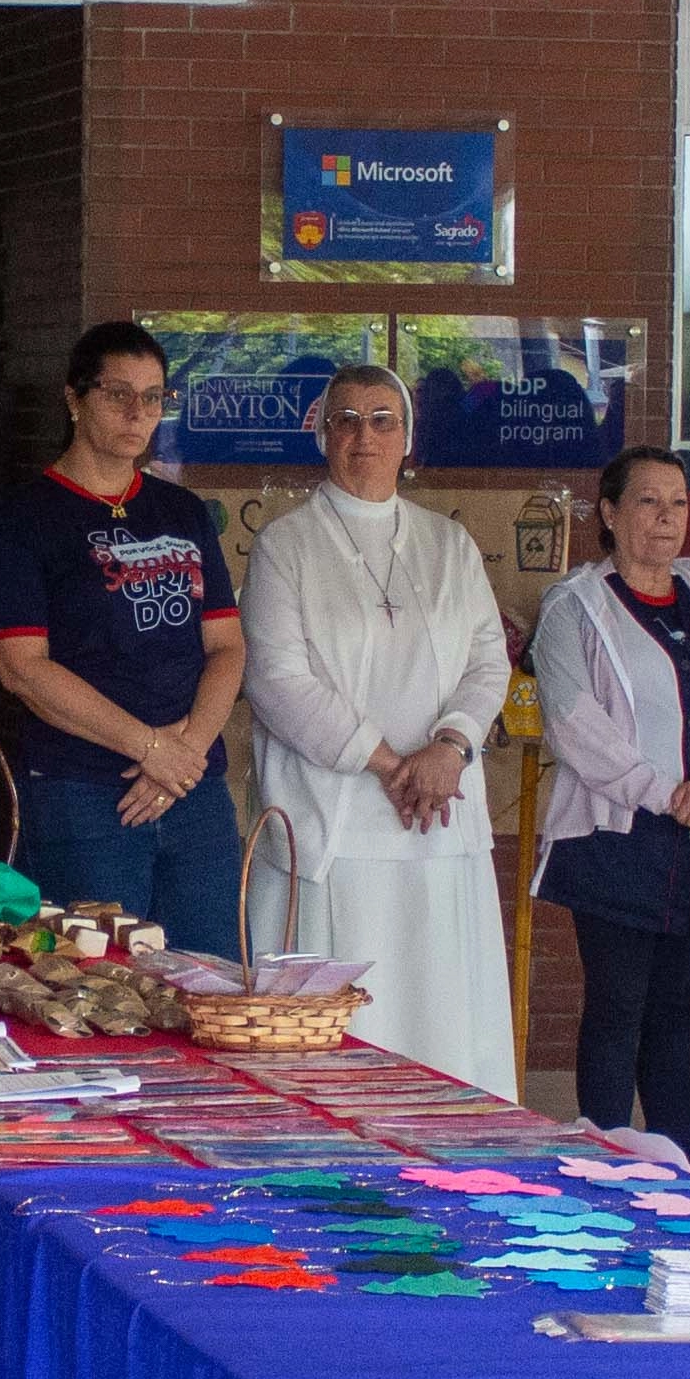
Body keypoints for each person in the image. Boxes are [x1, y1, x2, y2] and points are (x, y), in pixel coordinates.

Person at [239, 366, 520, 1091]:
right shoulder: (286, 546)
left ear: (408, 439)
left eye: (383, 419)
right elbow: (276, 680)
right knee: (341, 1050)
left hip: (438, 824)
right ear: (323, 434)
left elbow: (490, 660)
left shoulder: (448, 546)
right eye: (348, 419)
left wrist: (452, 746)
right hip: (335, 827)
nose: (365, 435)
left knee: (441, 1025)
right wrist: (393, 764)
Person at [0, 321, 248, 958]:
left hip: (193, 792)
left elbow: (228, 647)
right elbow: (21, 669)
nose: (138, 413)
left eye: (153, 398)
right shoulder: (23, 517)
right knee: (95, 987)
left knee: (211, 982)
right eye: (117, 394)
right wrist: (148, 747)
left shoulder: (182, 511)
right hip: (85, 795)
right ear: (73, 398)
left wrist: (183, 753)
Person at [533, 445, 690, 1152]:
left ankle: (679, 1164)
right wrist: (668, 794)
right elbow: (575, 725)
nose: (666, 518)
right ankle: (608, 1162)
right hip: (618, 838)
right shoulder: (573, 608)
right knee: (616, 1009)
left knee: (679, 1014)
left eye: (678, 502)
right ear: (608, 513)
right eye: (647, 501)